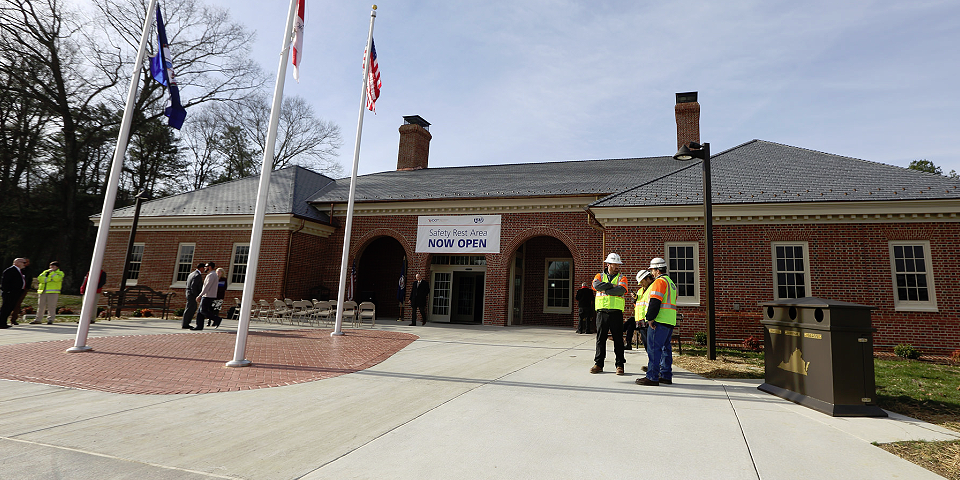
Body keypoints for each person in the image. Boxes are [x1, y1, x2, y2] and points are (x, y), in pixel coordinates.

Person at [636, 257, 679, 386]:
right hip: (669, 320)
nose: (652, 273)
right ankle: (666, 375)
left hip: (659, 321)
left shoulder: (659, 282)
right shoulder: (671, 283)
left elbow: (655, 301)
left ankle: (652, 377)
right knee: (666, 349)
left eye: (652, 270)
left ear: (657, 270)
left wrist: (650, 318)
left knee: (654, 350)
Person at [590, 253, 629, 375]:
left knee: (618, 340)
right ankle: (598, 364)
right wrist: (611, 286)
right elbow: (596, 285)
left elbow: (621, 290)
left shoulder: (622, 278)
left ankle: (620, 365)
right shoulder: (599, 276)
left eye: (618, 264)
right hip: (602, 312)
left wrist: (605, 289)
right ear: (608, 264)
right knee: (600, 339)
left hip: (616, 312)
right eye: (615, 264)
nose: (617, 267)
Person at [633, 270, 655, 369]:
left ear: (648, 278)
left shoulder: (653, 288)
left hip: (649, 320)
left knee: (652, 345)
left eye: (642, 281)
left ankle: (655, 366)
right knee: (647, 345)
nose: (641, 284)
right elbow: (638, 305)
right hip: (641, 321)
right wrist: (635, 299)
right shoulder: (640, 291)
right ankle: (652, 365)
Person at [0, 258, 28, 328]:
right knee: (6, 307)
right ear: (17, 263)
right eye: (23, 263)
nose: (25, 264)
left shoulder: (19, 271)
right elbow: (5, 282)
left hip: (16, 292)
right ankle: (1, 323)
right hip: (10, 293)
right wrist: (7, 291)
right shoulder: (10, 270)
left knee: (10, 307)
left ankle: (4, 322)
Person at [196, 262, 221, 330]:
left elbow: (207, 286)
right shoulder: (213, 274)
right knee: (200, 311)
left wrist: (200, 295)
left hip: (207, 295)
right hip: (208, 295)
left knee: (203, 311)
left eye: (206, 266)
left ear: (209, 267)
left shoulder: (211, 275)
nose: (205, 268)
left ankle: (217, 319)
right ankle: (199, 326)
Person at [182, 263, 204, 329]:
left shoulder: (191, 274)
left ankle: (186, 323)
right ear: (201, 268)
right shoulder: (197, 275)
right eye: (204, 268)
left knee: (189, 308)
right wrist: (197, 296)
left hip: (188, 293)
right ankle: (185, 324)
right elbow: (193, 286)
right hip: (192, 294)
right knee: (190, 309)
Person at [9, 257, 30, 324]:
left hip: (23, 289)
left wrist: (27, 287)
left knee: (18, 304)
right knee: (9, 304)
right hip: (13, 290)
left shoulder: (28, 270)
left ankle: (14, 319)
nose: (26, 264)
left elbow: (29, 279)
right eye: (24, 262)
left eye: (27, 262)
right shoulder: (14, 270)